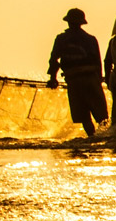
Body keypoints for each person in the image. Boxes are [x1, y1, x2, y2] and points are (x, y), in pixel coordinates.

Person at [46, 8, 108, 138]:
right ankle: (103, 137)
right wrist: (100, 79)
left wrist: (53, 78)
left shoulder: (61, 39)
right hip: (91, 78)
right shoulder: (90, 39)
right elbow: (98, 62)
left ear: (68, 22)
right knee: (101, 114)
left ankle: (92, 137)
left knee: (83, 114)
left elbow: (54, 59)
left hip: (74, 80)